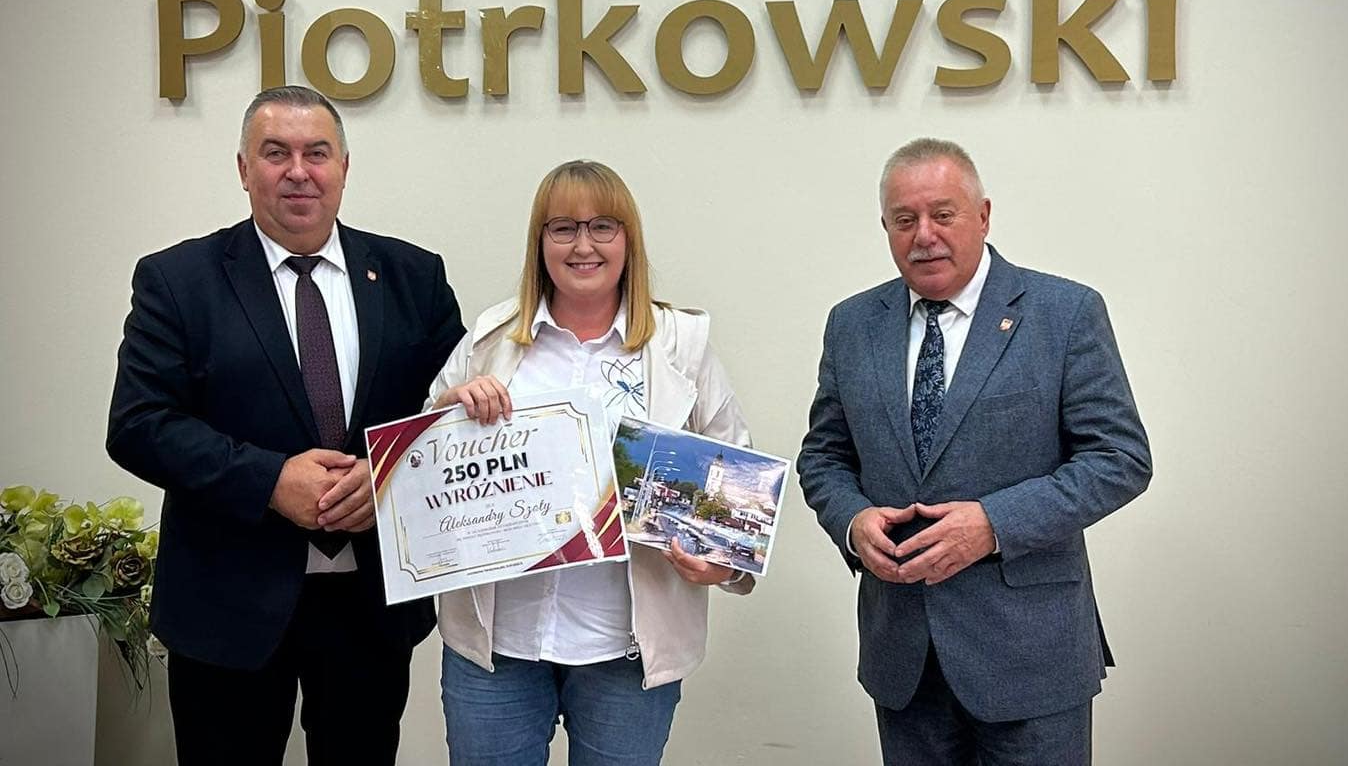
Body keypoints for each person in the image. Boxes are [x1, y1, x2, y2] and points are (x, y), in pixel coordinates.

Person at [106, 86, 465, 765]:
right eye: (276, 153)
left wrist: (388, 477)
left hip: (369, 609)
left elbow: (451, 414)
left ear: (344, 168)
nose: (298, 171)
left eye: (316, 153)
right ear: (244, 169)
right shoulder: (178, 280)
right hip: (226, 609)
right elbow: (139, 423)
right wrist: (270, 480)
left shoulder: (413, 276)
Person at [796, 137, 1152, 766]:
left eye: (943, 214)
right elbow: (824, 456)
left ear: (983, 216)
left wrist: (993, 524)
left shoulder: (1064, 312)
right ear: (885, 227)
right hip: (903, 656)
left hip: (1031, 655)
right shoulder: (851, 324)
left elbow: (1120, 457)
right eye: (904, 220)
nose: (924, 235)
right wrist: (852, 521)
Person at [426, 159, 753, 766]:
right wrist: (448, 413)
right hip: (498, 647)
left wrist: (722, 564)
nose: (583, 246)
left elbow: (734, 483)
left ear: (628, 239)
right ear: (540, 242)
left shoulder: (682, 346)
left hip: (624, 653)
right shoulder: (490, 339)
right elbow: (418, 475)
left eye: (603, 226)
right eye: (563, 228)